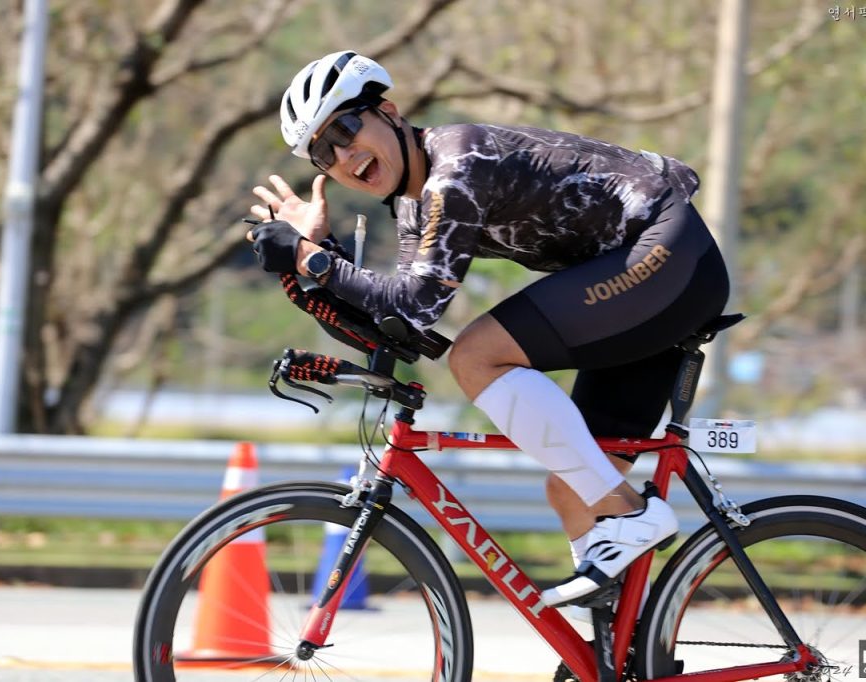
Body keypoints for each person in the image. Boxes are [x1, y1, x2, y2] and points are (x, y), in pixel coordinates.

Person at [247, 50, 729, 608]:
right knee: (572, 491)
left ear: (391, 113)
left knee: (477, 356)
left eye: (345, 129)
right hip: (641, 290)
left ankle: (632, 515)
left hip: (668, 256)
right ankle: (620, 642)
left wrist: (311, 259)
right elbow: (398, 322)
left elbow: (418, 302)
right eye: (322, 153)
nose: (342, 154)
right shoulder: (415, 209)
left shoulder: (457, 165)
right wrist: (320, 255)